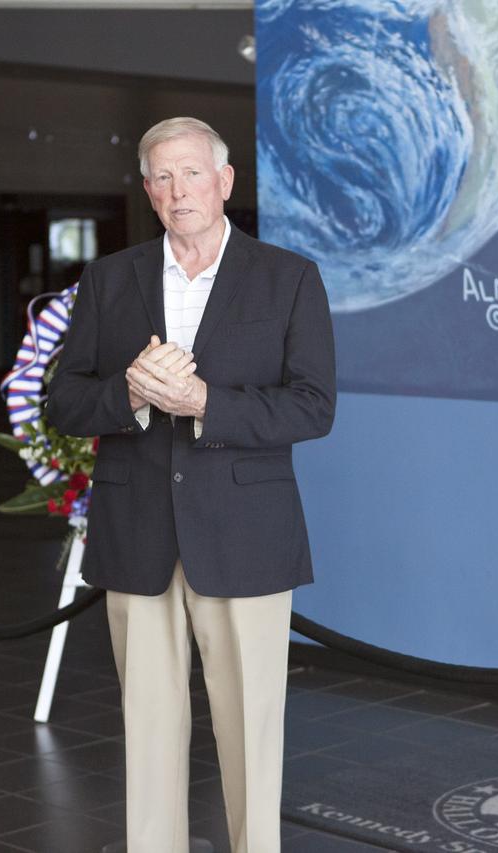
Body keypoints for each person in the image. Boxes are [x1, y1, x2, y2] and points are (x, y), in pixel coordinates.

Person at [47, 116, 335, 853]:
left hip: (246, 533)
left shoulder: (288, 276)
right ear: (147, 190)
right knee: (147, 721)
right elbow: (65, 401)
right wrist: (133, 393)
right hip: (136, 526)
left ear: (225, 181)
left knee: (249, 724)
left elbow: (314, 405)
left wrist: (205, 402)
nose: (180, 190)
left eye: (193, 173)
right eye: (163, 177)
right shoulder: (110, 278)